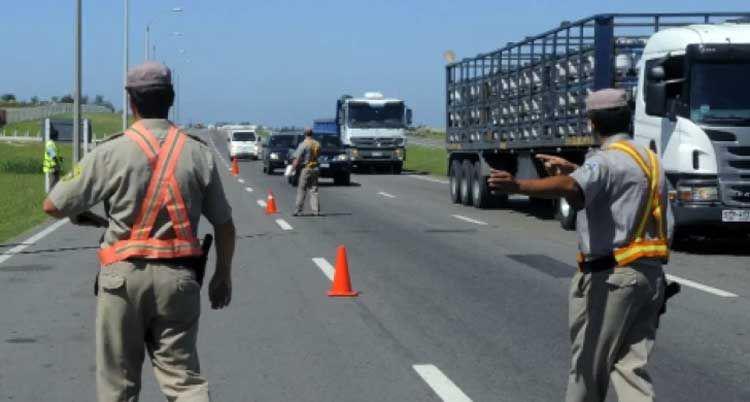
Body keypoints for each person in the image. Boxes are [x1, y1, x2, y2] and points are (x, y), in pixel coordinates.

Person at [42, 61, 236, 402]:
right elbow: (224, 224)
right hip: (179, 279)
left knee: (119, 386)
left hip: (120, 280)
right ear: (171, 99)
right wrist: (223, 275)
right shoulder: (198, 153)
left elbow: (54, 205)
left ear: (131, 101)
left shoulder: (110, 151)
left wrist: (86, 216)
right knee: (185, 382)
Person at [488, 88, 673, 402]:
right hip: (650, 276)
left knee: (587, 366)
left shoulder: (604, 161)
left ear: (592, 122)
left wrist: (518, 185)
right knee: (631, 368)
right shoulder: (649, 159)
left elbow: (573, 189)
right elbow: (616, 187)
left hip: (612, 278)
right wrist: (575, 171)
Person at [291, 128, 321, 216]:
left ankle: (298, 210)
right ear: (312, 134)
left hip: (306, 168)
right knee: (314, 189)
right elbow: (318, 155)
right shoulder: (317, 144)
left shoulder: (303, 144)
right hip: (315, 168)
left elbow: (297, 158)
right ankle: (316, 211)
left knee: (302, 189)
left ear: (305, 134)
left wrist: (293, 169)